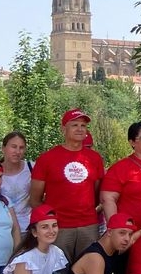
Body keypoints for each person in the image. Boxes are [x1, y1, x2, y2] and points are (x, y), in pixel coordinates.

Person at [29, 109, 105, 261]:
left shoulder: (94, 158)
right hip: (59, 227)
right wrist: (50, 223)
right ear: (63, 129)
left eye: (83, 125)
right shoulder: (47, 159)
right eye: (74, 125)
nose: (80, 129)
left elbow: (97, 194)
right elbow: (35, 199)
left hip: (88, 226)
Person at [0, 131, 33, 229]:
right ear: (3, 148)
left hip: (28, 227)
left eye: (21, 147)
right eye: (13, 146)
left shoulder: (31, 168)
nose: (17, 151)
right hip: (2, 228)